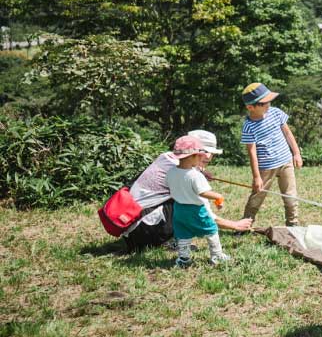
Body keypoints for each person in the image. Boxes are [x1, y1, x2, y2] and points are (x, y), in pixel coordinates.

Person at [124, 129, 250, 250]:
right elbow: (203, 212)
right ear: (193, 153)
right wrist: (235, 225)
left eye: (211, 152)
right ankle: (170, 242)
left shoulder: (167, 158)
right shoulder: (186, 175)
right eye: (204, 151)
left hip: (131, 227)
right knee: (186, 205)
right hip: (144, 231)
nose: (209, 156)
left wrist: (201, 171)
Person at [239, 82, 303, 226]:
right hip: (266, 168)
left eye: (269, 101)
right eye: (264, 103)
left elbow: (287, 133)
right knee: (257, 197)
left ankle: (293, 225)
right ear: (251, 107)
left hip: (286, 161)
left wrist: (296, 153)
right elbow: (251, 152)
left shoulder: (276, 113)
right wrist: (256, 177)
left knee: (291, 196)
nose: (268, 104)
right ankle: (245, 224)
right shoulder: (248, 126)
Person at [166, 135, 232, 267]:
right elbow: (203, 192)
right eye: (199, 155)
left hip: (178, 209)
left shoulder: (171, 172)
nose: (202, 158)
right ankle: (217, 255)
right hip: (196, 210)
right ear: (192, 157)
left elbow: (170, 188)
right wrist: (218, 196)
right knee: (211, 230)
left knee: (183, 234)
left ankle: (184, 259)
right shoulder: (194, 175)